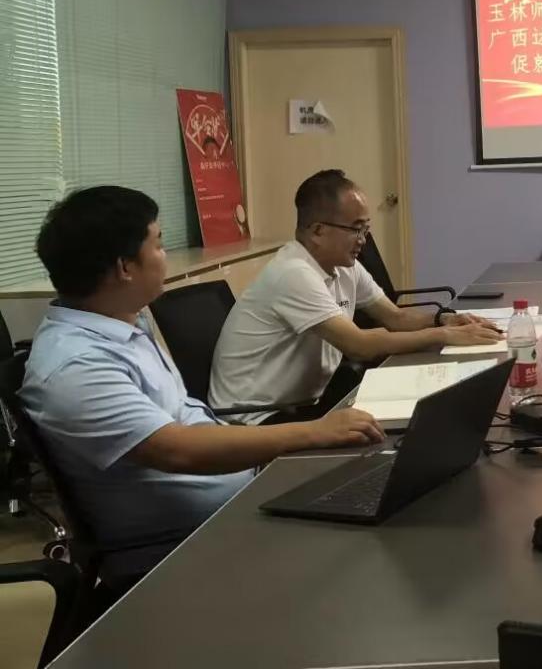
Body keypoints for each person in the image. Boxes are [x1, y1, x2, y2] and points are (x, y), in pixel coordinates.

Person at [19, 186, 385, 587]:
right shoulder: (76, 366)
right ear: (125, 268)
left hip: (239, 499)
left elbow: (185, 418)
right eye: (159, 245)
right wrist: (313, 433)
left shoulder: (123, 322)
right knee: (364, 556)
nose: (166, 256)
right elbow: (176, 450)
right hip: (184, 548)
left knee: (374, 486)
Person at [211, 169, 501, 422]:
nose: (363, 240)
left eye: (366, 229)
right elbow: (359, 345)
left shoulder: (344, 266)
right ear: (318, 231)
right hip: (256, 418)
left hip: (306, 400)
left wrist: (445, 320)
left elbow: (395, 318)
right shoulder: (293, 273)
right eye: (356, 229)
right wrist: (444, 336)